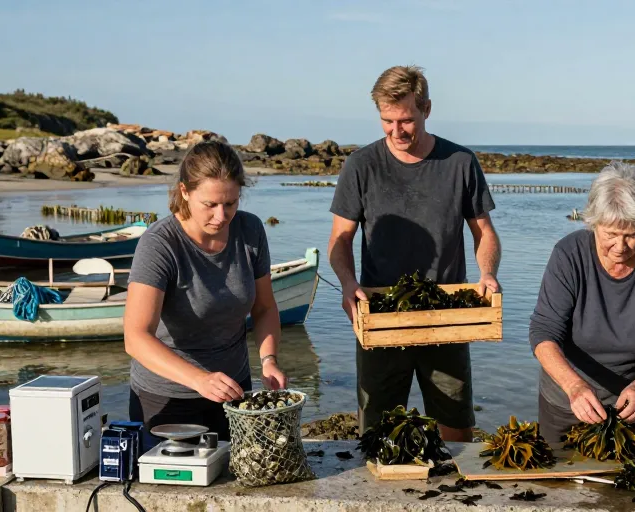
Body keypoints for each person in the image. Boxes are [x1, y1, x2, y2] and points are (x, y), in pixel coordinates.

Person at [327, 65, 501, 442]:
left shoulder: (460, 163)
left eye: (405, 120)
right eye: (386, 121)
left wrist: (486, 273)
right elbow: (340, 240)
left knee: (456, 430)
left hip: (447, 317)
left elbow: (484, 233)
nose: (396, 131)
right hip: (380, 316)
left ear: (427, 109)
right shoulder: (361, 165)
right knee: (377, 434)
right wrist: (347, 283)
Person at [124, 140, 287, 448]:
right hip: (167, 400)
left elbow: (264, 308)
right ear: (185, 192)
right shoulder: (159, 245)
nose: (221, 215)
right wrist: (199, 379)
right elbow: (136, 337)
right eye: (210, 205)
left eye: (231, 203)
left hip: (234, 392)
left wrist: (268, 359)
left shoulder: (250, 230)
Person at [528, 162, 635, 445]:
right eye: (611, 234)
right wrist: (574, 387)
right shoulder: (568, 254)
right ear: (594, 224)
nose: (620, 246)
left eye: (632, 235)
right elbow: (543, 333)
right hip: (568, 402)